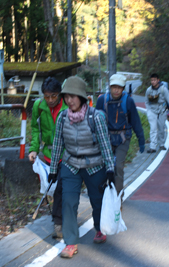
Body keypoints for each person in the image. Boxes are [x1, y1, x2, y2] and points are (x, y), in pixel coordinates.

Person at [48, 76, 115, 258]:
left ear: (82, 97)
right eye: (67, 97)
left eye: (73, 96)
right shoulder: (62, 117)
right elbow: (58, 144)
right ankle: (70, 242)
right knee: (68, 202)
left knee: (97, 200)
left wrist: (110, 169)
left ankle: (100, 228)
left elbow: (105, 145)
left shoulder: (96, 117)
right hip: (71, 164)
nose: (69, 101)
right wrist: (53, 169)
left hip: (94, 165)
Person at [28, 77, 67, 239]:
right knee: (55, 189)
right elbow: (35, 130)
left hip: (67, 155)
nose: (50, 100)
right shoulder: (39, 106)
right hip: (49, 156)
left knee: (61, 189)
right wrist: (34, 149)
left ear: (59, 94)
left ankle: (59, 224)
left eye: (53, 96)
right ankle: (60, 220)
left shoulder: (68, 105)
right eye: (47, 96)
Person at [96, 73, 145, 196]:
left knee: (118, 166)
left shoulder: (128, 101)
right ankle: (103, 193)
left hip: (123, 138)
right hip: (106, 138)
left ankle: (118, 197)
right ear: (110, 87)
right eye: (114, 87)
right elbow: (94, 120)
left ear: (123, 89)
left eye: (119, 87)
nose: (116, 90)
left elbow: (135, 121)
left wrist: (141, 140)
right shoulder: (102, 100)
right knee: (103, 166)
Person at [145, 73, 169, 153]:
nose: (153, 82)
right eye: (151, 80)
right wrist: (148, 111)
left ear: (158, 80)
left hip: (162, 111)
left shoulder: (163, 89)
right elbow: (146, 101)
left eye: (154, 80)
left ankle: (161, 144)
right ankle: (152, 147)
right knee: (153, 129)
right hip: (152, 111)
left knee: (161, 128)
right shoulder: (149, 90)